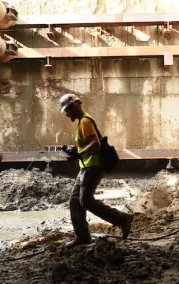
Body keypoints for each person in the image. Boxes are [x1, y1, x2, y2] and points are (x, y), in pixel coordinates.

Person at [59, 93, 133, 247]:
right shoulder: (82, 122)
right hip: (85, 167)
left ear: (75, 106)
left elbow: (95, 143)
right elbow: (88, 143)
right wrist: (75, 150)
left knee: (85, 201)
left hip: (93, 167)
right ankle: (83, 237)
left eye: (68, 110)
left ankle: (122, 219)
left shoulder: (85, 121)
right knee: (75, 201)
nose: (67, 114)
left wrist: (79, 153)